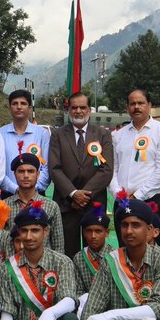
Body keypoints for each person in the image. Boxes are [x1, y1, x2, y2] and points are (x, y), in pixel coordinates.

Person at [50, 92, 114, 257]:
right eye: (74, 107)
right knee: (68, 252)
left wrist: (84, 195)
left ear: (89, 110)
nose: (78, 111)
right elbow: (54, 168)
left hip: (93, 204)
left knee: (94, 254)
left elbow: (106, 169)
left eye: (82, 107)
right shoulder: (57, 134)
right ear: (68, 110)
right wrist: (73, 194)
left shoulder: (103, 134)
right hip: (66, 204)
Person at [110, 89, 160, 248]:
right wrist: (118, 193)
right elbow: (113, 168)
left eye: (141, 103)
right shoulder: (119, 135)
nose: (136, 107)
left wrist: (138, 195)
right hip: (123, 202)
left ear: (149, 105)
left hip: (150, 201)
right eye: (132, 104)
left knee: (152, 250)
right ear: (127, 107)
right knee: (124, 248)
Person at [4, 152, 64, 255]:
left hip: (45, 267)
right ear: (15, 175)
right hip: (13, 267)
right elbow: (3, 242)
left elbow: (58, 245)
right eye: (21, 171)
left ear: (38, 174)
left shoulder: (51, 206)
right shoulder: (4, 206)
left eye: (30, 171)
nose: (26, 176)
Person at [0, 89, 52, 195]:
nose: (19, 107)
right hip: (8, 194)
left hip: (37, 194)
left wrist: (34, 189)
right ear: (10, 108)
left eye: (23, 103)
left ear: (30, 108)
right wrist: (15, 189)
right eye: (15, 104)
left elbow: (47, 166)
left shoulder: (42, 134)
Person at [73, 202, 113, 298]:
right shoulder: (79, 258)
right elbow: (78, 290)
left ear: (107, 233)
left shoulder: (115, 256)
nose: (93, 236)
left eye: (98, 231)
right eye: (89, 231)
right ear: (84, 233)